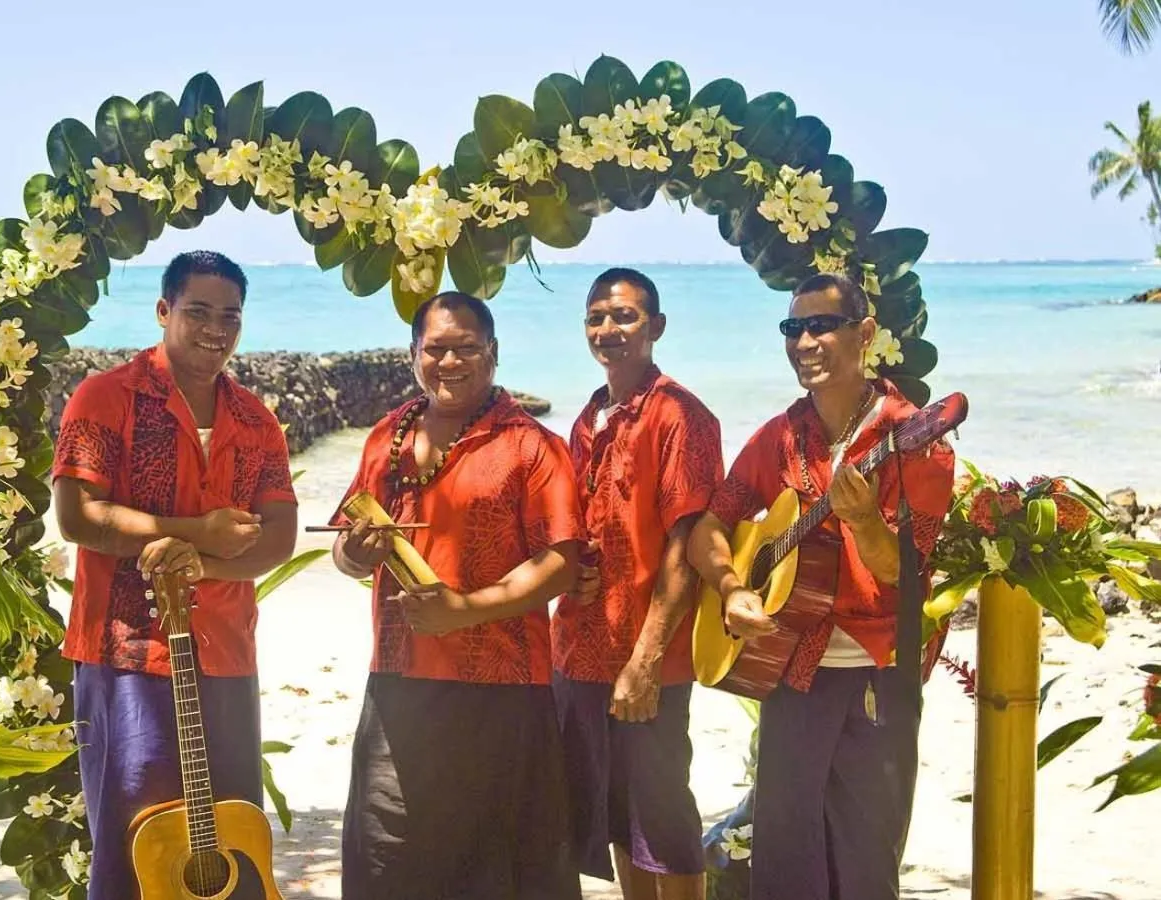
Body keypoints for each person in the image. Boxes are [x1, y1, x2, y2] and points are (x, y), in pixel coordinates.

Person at [687, 272, 955, 900]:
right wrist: (731, 587)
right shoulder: (782, 436)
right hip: (792, 668)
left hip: (874, 671)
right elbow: (709, 526)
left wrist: (864, 521)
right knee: (783, 856)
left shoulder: (915, 441)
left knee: (865, 860)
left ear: (865, 333)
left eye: (822, 326)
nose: (804, 341)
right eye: (793, 327)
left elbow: (904, 574)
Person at [52, 250, 299, 899]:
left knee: (231, 846)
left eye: (230, 316)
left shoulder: (256, 421)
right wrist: (197, 531)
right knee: (138, 849)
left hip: (225, 652)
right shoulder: (105, 398)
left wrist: (200, 564)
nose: (215, 329)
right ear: (164, 310)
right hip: (127, 655)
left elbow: (279, 537)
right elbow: (78, 516)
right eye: (198, 312)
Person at [329, 291, 586, 900]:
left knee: (499, 863)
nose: (449, 362)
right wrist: (356, 554)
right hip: (398, 680)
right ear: (412, 355)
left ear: (493, 353)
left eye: (466, 348)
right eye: (436, 349)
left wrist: (464, 611)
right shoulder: (387, 436)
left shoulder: (532, 445)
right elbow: (343, 549)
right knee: (388, 856)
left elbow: (561, 563)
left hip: (502, 687)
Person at [551, 268, 722, 900]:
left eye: (624, 316)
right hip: (581, 648)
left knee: (663, 817)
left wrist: (646, 661)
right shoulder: (589, 418)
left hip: (651, 656)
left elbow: (688, 544)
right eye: (596, 317)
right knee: (616, 814)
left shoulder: (680, 416)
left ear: (657, 326)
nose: (608, 329)